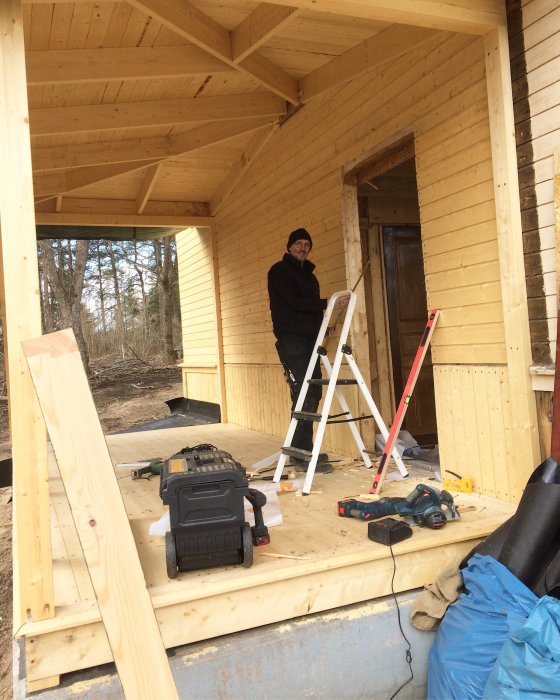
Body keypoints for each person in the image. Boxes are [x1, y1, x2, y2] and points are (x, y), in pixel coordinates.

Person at [268, 228, 349, 473]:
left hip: (310, 340)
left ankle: (303, 449)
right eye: (299, 243)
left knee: (312, 392)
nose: (303, 247)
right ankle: (301, 454)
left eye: (307, 244)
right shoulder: (279, 271)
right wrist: (329, 303)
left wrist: (322, 330)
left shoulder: (311, 277)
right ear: (290, 246)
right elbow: (294, 303)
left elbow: (311, 311)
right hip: (292, 340)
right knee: (303, 392)